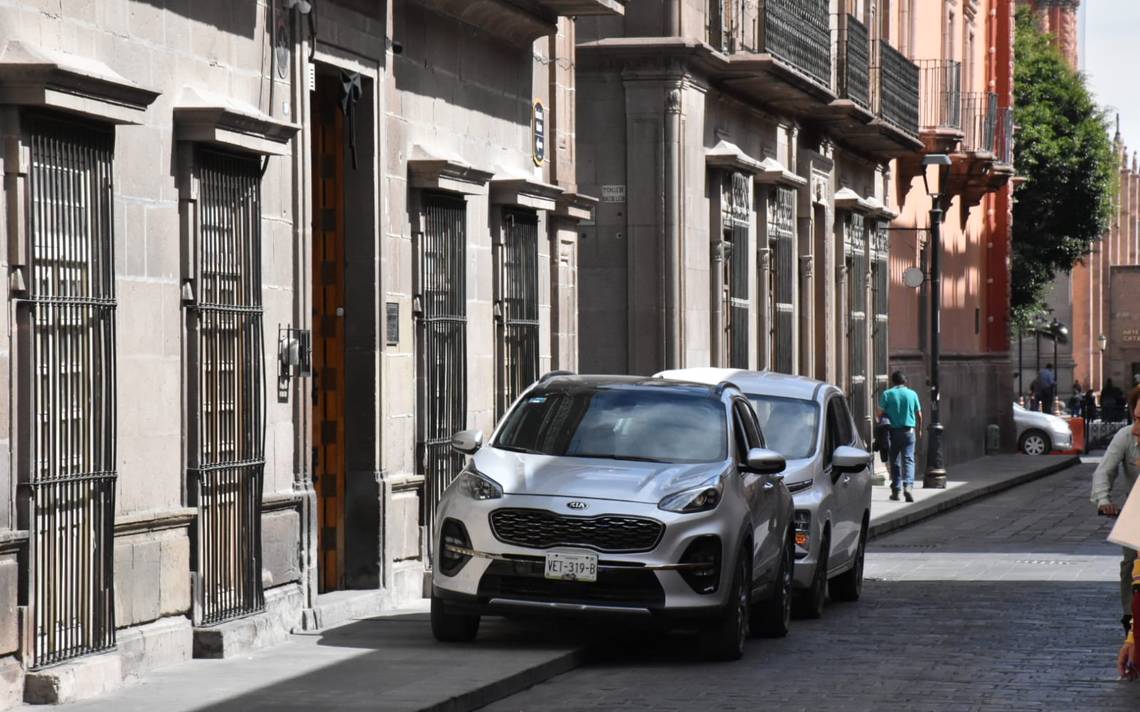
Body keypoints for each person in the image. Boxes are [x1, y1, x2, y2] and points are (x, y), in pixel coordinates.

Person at [1091, 386, 1140, 636]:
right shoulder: (1125, 436)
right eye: (1136, 417)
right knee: (1131, 565)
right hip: (1136, 514)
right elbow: (1104, 470)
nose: (1137, 426)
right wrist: (1103, 499)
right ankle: (1129, 617)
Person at [878, 371, 923, 502]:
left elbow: (878, 413)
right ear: (905, 381)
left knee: (895, 461)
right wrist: (919, 430)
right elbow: (919, 414)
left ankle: (896, 489)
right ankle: (908, 486)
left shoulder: (887, 394)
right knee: (909, 459)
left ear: (892, 382)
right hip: (909, 431)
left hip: (892, 432)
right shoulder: (912, 394)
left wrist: (880, 426)